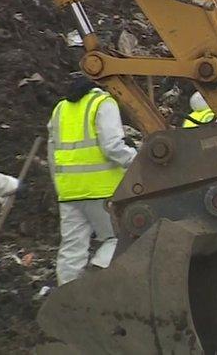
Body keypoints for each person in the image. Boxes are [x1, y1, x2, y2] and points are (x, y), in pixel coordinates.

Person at [48, 77, 137, 285]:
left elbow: (52, 154)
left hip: (69, 191)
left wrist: (59, 185)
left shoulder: (60, 109)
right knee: (117, 237)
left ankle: (66, 298)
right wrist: (136, 160)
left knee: (72, 248)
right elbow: (112, 146)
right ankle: (97, 276)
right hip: (101, 189)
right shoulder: (102, 103)